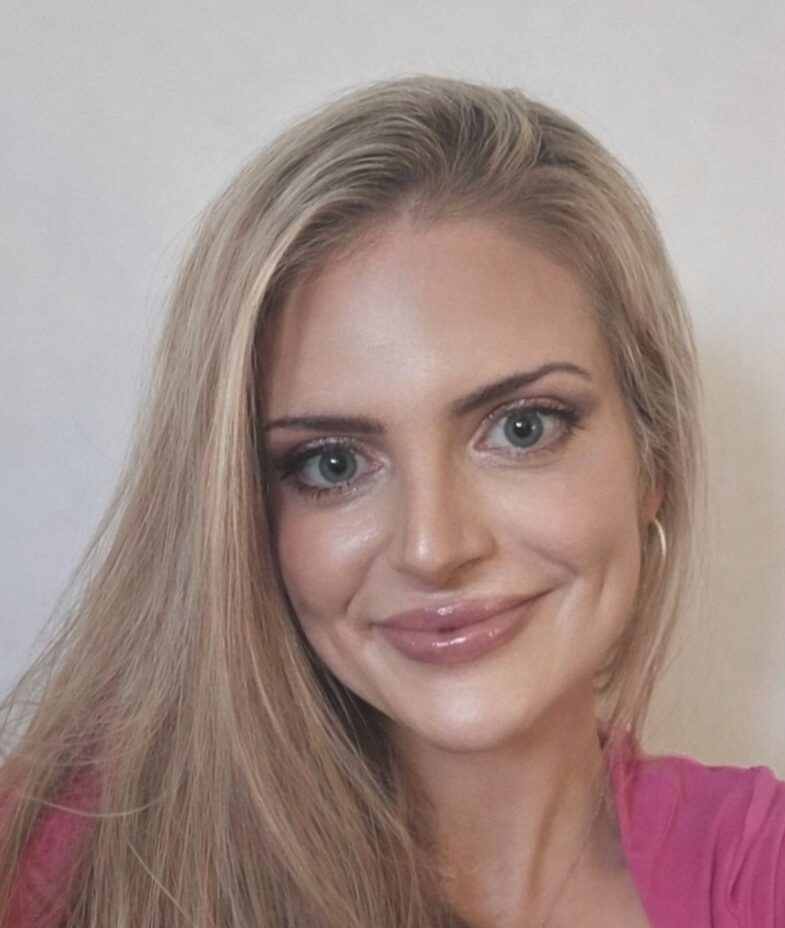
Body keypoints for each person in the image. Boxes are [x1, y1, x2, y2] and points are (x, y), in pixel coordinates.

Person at [0, 74, 782, 928]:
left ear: (651, 459)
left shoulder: (759, 872)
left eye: (520, 428)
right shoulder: (57, 859)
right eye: (333, 463)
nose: (432, 547)